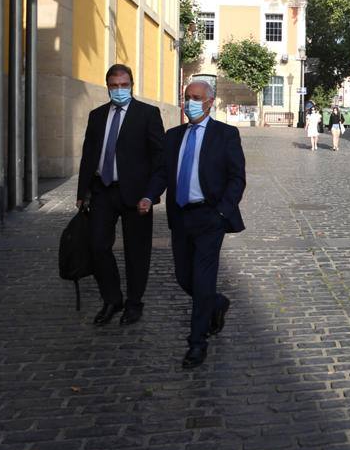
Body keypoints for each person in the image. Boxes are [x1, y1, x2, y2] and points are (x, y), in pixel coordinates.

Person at [139, 81, 246, 368]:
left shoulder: (225, 135)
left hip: (210, 218)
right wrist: (150, 196)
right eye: (187, 98)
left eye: (196, 98)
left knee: (202, 280)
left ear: (210, 102)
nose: (190, 103)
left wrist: (222, 213)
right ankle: (216, 302)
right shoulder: (173, 136)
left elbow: (237, 178)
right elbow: (162, 172)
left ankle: (197, 342)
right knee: (184, 277)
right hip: (180, 216)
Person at [77, 64, 165, 326]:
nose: (119, 90)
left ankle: (134, 302)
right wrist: (82, 192)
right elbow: (88, 155)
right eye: (114, 86)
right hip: (102, 191)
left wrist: (151, 195)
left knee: (136, 252)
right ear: (107, 87)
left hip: (136, 195)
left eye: (123, 85)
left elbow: (159, 159)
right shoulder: (97, 115)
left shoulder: (148, 114)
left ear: (131, 85)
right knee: (97, 246)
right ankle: (112, 298)